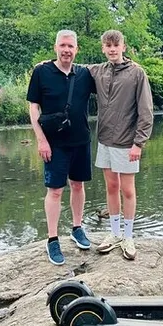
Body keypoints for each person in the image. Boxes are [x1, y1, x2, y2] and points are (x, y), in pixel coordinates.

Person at [26, 30, 94, 266]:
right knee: (55, 191)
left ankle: (77, 228)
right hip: (53, 143)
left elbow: (111, 74)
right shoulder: (41, 72)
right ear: (56, 47)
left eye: (71, 46)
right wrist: (40, 139)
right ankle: (52, 239)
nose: (67, 50)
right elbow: (33, 108)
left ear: (77, 49)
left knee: (78, 184)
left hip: (81, 139)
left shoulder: (85, 74)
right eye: (63, 45)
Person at [89, 30, 154, 260]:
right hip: (105, 140)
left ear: (123, 47)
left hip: (127, 142)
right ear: (103, 48)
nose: (112, 49)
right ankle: (114, 234)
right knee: (111, 187)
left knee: (128, 189)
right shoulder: (98, 71)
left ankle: (128, 236)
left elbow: (146, 111)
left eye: (116, 45)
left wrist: (139, 143)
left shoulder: (137, 73)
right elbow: (72, 69)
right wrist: (50, 62)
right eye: (108, 45)